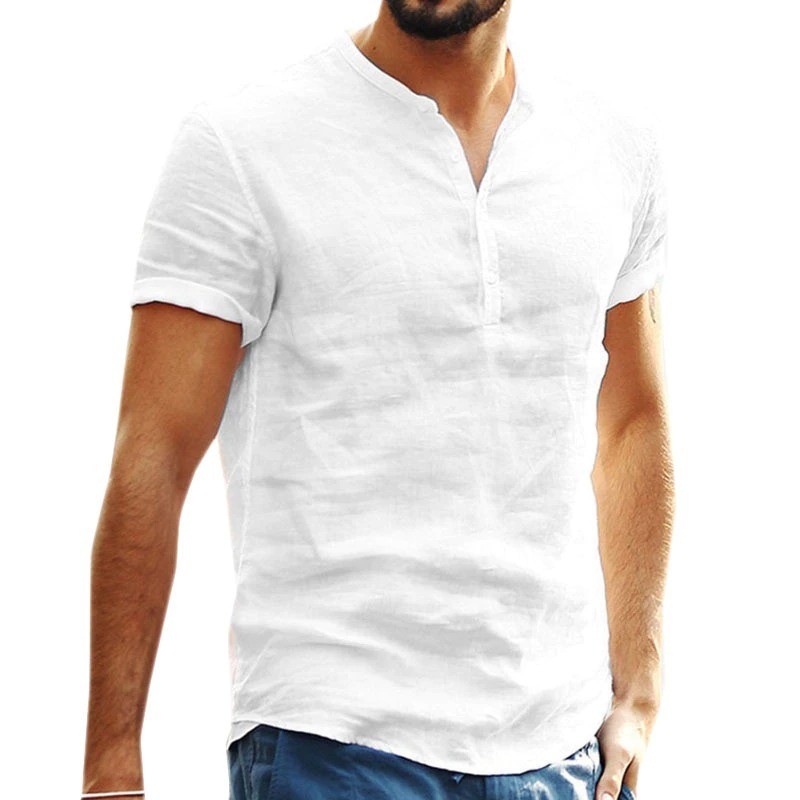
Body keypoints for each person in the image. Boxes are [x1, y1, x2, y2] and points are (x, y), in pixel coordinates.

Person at [81, 2, 675, 799]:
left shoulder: (612, 148)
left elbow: (633, 420)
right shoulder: (243, 144)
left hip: (560, 752)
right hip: (331, 745)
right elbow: (154, 451)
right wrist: (111, 769)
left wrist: (639, 688)